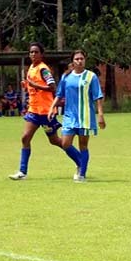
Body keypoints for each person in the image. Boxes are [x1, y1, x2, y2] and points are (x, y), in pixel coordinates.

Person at [8, 42, 82, 180]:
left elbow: (53, 87)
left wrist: (35, 85)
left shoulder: (43, 69)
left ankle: (80, 162)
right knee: (25, 138)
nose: (33, 54)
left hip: (46, 112)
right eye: (31, 52)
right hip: (33, 111)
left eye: (36, 52)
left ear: (42, 54)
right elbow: (33, 88)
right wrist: (27, 86)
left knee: (55, 141)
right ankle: (22, 172)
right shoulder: (31, 67)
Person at [48, 50, 105, 182]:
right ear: (72, 61)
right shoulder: (66, 77)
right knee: (65, 143)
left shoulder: (91, 77)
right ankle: (81, 163)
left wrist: (100, 114)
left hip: (85, 116)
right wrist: (52, 107)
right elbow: (59, 94)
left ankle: (82, 174)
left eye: (82, 59)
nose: (79, 61)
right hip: (69, 116)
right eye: (77, 59)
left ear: (85, 60)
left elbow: (98, 96)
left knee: (83, 145)